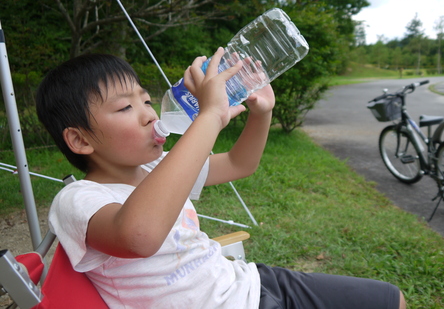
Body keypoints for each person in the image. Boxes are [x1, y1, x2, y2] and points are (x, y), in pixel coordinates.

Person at [36, 48, 406, 309]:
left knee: (391, 299)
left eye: (147, 101)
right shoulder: (79, 199)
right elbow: (139, 235)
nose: (149, 114)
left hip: (250, 284)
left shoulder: (159, 166)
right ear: (80, 139)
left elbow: (240, 164)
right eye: (125, 107)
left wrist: (262, 114)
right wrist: (209, 116)